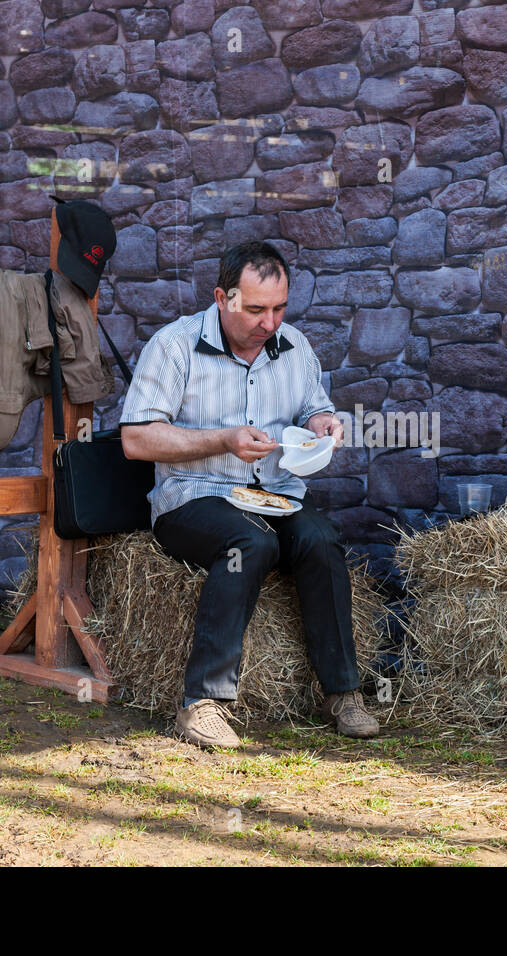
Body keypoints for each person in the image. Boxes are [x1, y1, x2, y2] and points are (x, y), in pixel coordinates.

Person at [119, 241, 380, 749]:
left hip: (273, 493)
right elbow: (136, 439)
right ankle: (203, 702)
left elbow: (314, 407)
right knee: (250, 546)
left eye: (279, 308)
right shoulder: (174, 346)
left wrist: (322, 423)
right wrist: (221, 440)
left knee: (321, 540)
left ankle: (343, 691)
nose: (269, 323)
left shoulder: (295, 347)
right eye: (257, 309)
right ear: (223, 297)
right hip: (193, 496)